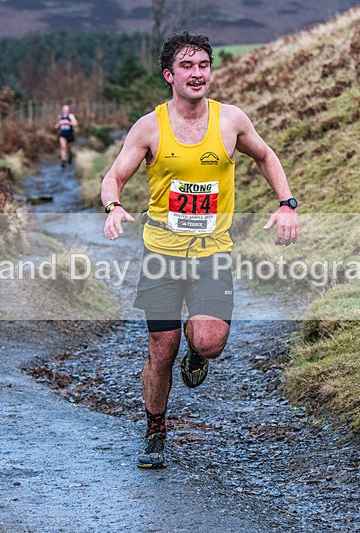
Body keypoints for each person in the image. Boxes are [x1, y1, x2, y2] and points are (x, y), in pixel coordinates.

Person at [99, 30, 299, 469]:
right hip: (162, 254)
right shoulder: (150, 126)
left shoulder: (231, 121)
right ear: (170, 75)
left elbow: (265, 156)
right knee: (160, 349)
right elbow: (114, 177)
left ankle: (197, 350)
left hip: (212, 252)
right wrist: (113, 207)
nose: (197, 74)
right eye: (187, 66)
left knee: (209, 343)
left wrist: (286, 204)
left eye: (203, 66)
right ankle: (155, 429)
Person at [55, 104, 78, 168]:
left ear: (69, 110)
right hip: (62, 134)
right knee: (63, 147)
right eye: (64, 110)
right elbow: (59, 123)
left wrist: (69, 123)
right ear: (62, 110)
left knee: (69, 148)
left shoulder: (71, 116)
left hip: (69, 134)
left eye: (67, 110)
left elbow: (76, 124)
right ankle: (63, 162)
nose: (65, 111)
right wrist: (57, 126)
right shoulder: (60, 116)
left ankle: (70, 156)